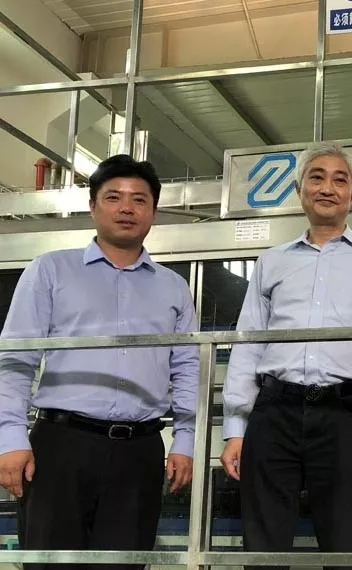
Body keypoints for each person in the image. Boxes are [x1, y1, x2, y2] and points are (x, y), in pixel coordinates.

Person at [0, 154, 198, 569]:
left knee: (124, 562)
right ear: (93, 206)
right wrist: (11, 439)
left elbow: (187, 368)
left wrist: (185, 440)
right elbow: (16, 359)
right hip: (61, 447)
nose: (126, 208)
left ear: (153, 212)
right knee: (49, 562)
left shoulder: (174, 288)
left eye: (139, 199)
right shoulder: (51, 271)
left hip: (140, 451)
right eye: (113, 197)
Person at [220, 141, 352, 569]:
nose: (327, 188)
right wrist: (235, 427)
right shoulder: (271, 261)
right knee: (263, 546)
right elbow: (248, 343)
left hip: (345, 416)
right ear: (299, 189)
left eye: (340, 179)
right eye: (316, 178)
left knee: (344, 545)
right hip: (274, 411)